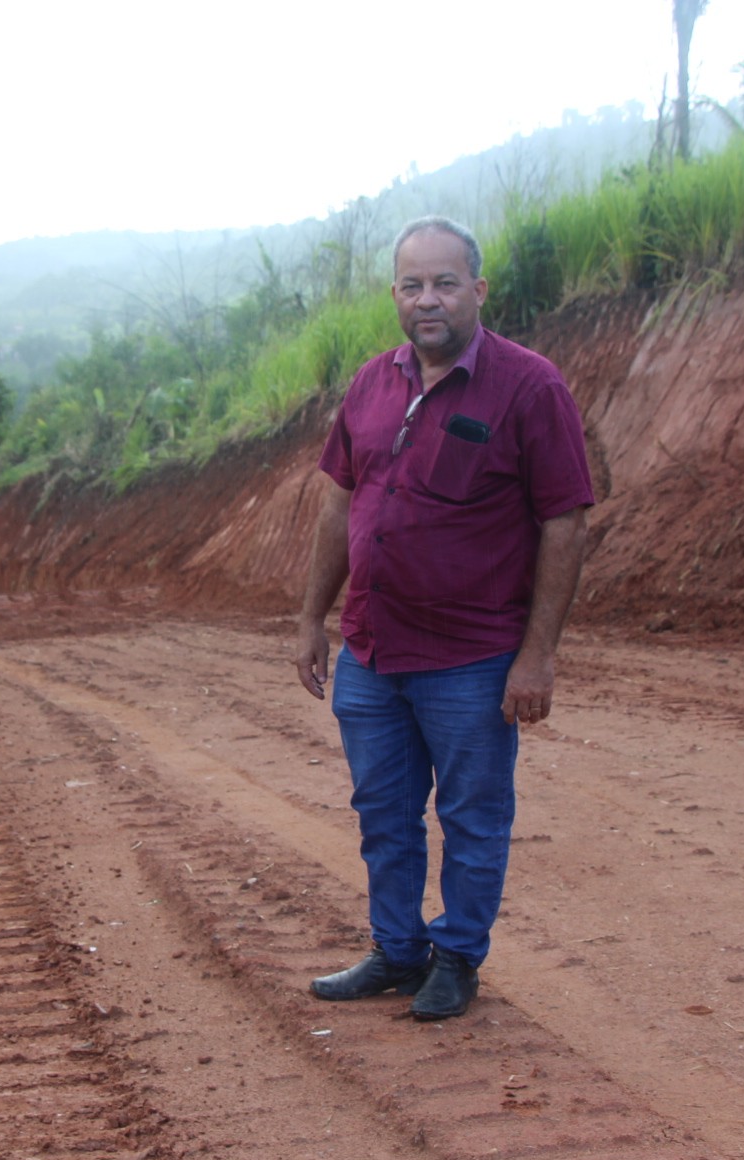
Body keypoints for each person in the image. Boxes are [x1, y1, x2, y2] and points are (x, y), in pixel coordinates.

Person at [293, 215, 594, 1021]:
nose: (428, 299)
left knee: (472, 815)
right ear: (395, 294)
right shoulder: (368, 383)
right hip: (371, 651)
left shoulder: (530, 387)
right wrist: (311, 617)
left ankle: (456, 958)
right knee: (382, 814)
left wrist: (538, 656)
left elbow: (565, 520)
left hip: (470, 658)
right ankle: (397, 950)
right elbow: (340, 503)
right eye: (412, 284)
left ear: (478, 290)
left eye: (445, 282)